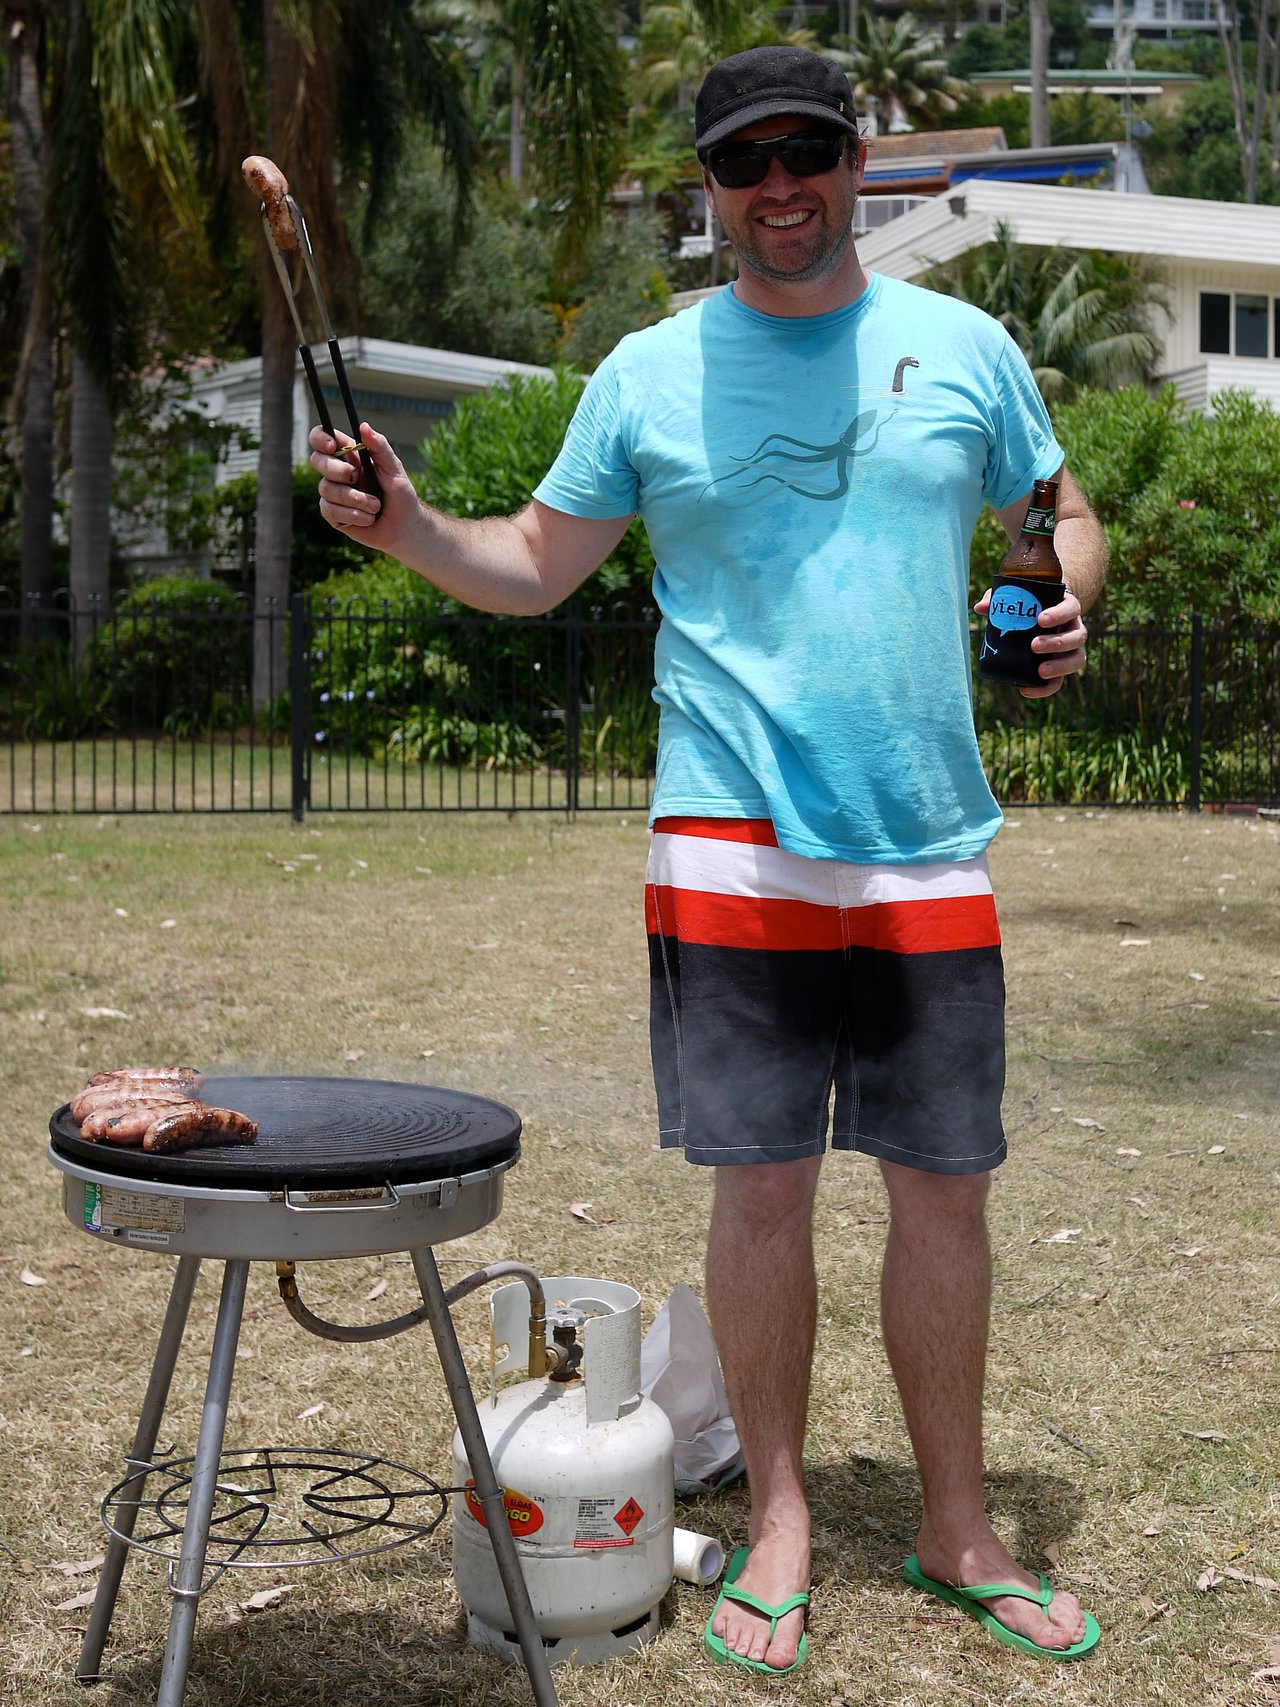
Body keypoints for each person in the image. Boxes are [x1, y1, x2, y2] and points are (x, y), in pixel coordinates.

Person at [311, 45, 1107, 1674]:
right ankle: (788, 1520)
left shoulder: (963, 350)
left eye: (807, 151)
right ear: (710, 187)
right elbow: (532, 565)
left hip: (923, 839)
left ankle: (958, 1527)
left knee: (945, 1192)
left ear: (858, 162)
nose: (780, 187)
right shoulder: (646, 374)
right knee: (764, 1192)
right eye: (745, 163)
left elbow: (1060, 515)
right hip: (726, 837)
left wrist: (1064, 592)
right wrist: (405, 526)